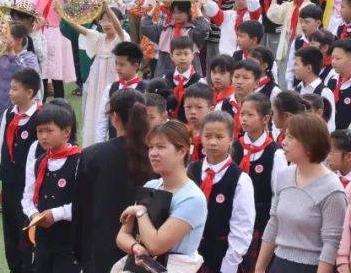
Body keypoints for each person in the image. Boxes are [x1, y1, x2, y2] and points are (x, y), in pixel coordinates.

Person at [256, 113, 347, 273]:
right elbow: (274, 222)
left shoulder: (332, 189)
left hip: (311, 267)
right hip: (278, 263)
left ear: (309, 144)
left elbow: (331, 244)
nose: (283, 142)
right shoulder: (284, 176)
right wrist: (260, 268)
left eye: (290, 138)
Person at [74, 88, 153, 273]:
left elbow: (81, 208)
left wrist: (80, 254)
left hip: (101, 249)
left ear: (114, 117)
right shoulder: (156, 153)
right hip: (146, 248)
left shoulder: (93, 155)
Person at [115, 120, 208, 272]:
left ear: (182, 151)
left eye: (161, 147)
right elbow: (122, 235)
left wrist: (140, 211)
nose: (153, 153)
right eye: (151, 147)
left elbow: (156, 245)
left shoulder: (192, 199)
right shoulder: (151, 186)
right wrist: (136, 247)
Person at [187, 111, 254, 273]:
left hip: (221, 255)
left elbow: (242, 227)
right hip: (189, 252)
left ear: (231, 139)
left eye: (219, 137)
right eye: (207, 136)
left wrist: (229, 265)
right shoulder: (191, 171)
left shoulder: (240, 179)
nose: (212, 142)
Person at [22, 99, 82, 273]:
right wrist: (34, 215)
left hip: (69, 241)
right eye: (40, 131)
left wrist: (56, 214)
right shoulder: (39, 162)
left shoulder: (79, 160)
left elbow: (85, 202)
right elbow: (27, 196)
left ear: (66, 132)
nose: (43, 136)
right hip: (43, 240)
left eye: (49, 131)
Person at [234, 93, 287, 273]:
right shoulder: (234, 147)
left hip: (260, 221)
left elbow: (277, 194)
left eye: (250, 115)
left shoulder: (275, 153)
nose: (244, 119)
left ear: (265, 118)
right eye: (242, 114)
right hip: (234, 218)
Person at [0, 67, 43, 273]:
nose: (10, 92)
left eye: (15, 89)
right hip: (9, 182)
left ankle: (28, 268)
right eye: (10, 88)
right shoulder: (8, 114)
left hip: (30, 185)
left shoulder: (41, 117)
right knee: (9, 230)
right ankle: (14, 267)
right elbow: (2, 145)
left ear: (29, 92)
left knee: (25, 229)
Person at [95, 41, 144, 142]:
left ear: (135, 66)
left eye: (122, 64)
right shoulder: (111, 88)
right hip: (114, 143)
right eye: (116, 63)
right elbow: (102, 119)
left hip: (138, 144)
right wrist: (100, 144)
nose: (117, 68)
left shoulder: (146, 89)